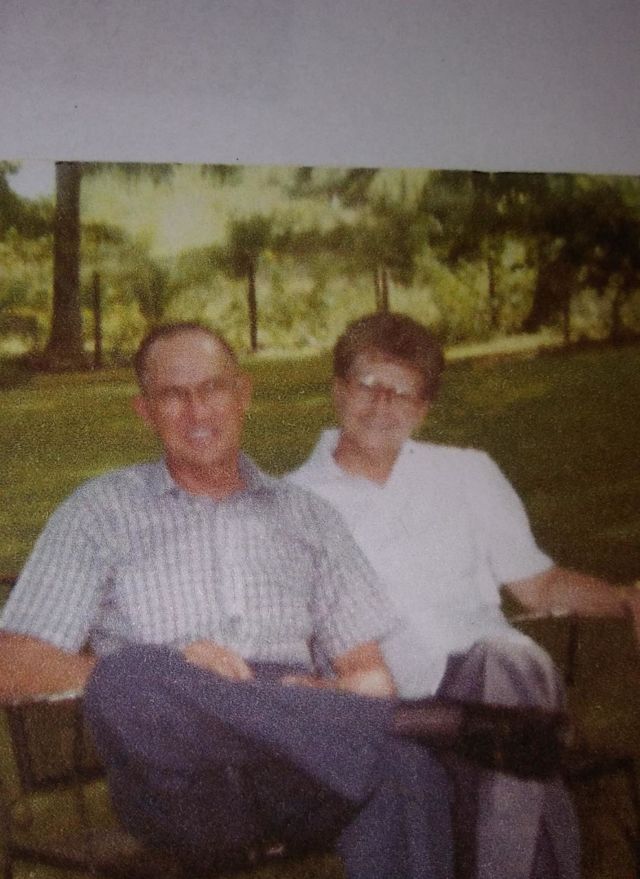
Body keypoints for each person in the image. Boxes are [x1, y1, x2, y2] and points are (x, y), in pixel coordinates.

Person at [0, 322, 455, 879]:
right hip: (181, 778)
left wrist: (333, 694)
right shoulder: (99, 513)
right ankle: (413, 725)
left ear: (243, 394)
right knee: (130, 675)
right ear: (145, 411)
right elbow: (12, 663)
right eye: (174, 395)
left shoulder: (309, 518)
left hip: (299, 769)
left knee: (402, 762)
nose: (197, 412)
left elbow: (369, 674)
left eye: (213, 389)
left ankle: (356, 730)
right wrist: (179, 670)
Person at [289, 311, 640, 879]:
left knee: (508, 665)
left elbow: (540, 585)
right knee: (522, 748)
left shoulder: (468, 473)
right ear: (338, 390)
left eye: (403, 392)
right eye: (368, 384)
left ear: (423, 409)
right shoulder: (292, 502)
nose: (382, 405)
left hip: (494, 677)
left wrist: (625, 600)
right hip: (391, 708)